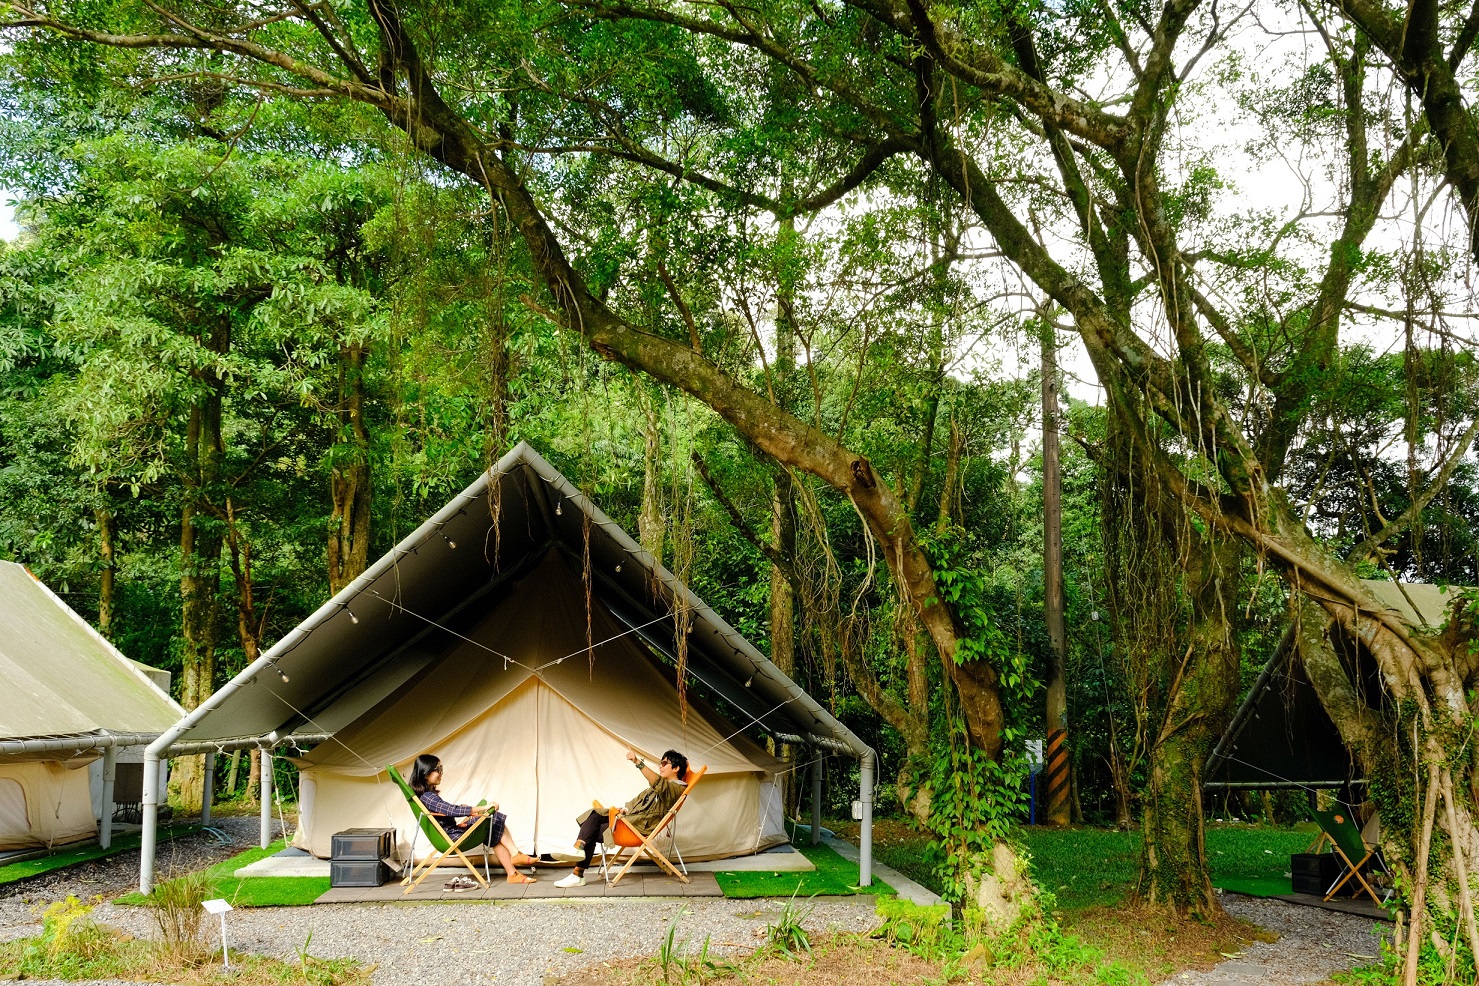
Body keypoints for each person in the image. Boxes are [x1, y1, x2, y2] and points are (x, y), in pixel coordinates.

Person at [553, 747, 688, 888]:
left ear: (676, 768)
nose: (660, 766)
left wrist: (637, 761)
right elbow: (637, 800)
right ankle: (578, 861)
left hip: (637, 828)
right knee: (594, 818)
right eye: (660, 763)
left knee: (593, 824)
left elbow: (657, 782)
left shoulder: (677, 789)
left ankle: (578, 868)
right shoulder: (659, 788)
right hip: (630, 820)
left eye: (664, 763)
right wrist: (625, 809)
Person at [409, 754, 537, 884]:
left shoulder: (426, 795)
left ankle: (512, 872)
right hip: (451, 836)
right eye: (438, 769)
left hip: (451, 832)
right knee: (493, 818)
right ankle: (515, 856)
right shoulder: (428, 797)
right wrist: (482, 808)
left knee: (493, 829)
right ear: (426, 774)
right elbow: (451, 810)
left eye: (441, 768)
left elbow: (444, 811)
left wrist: (463, 810)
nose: (441, 773)